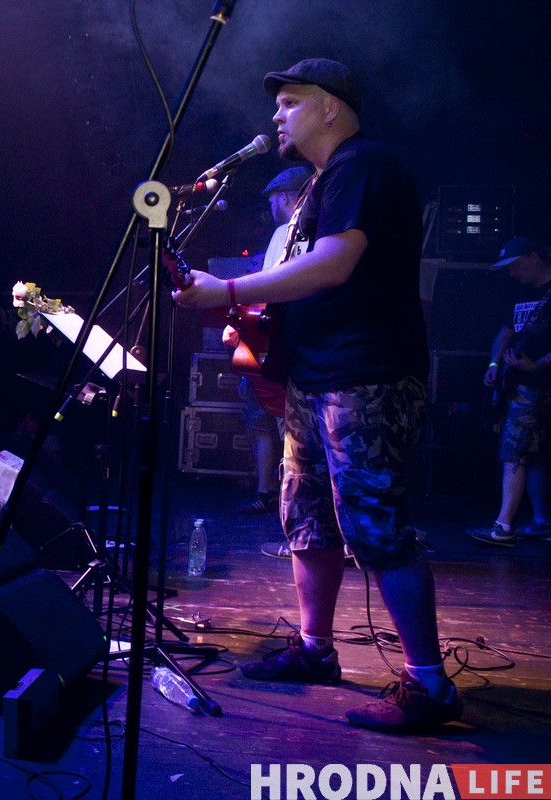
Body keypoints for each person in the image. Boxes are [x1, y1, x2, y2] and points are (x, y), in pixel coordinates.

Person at [172, 58, 460, 732]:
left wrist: (229, 291)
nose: (276, 115)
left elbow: (334, 265)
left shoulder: (363, 166)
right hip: (316, 375)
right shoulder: (321, 185)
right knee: (308, 515)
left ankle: (429, 683)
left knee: (376, 522)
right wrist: (248, 317)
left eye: (291, 102)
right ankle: (315, 648)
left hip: (365, 375)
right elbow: (304, 284)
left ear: (331, 107)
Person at [230, 166, 311, 517]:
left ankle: (278, 501)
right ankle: (286, 503)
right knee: (286, 429)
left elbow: (268, 289)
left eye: (274, 200)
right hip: (295, 346)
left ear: (286, 197)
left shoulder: (285, 232)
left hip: (276, 347)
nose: (272, 208)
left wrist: (240, 323)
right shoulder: (318, 231)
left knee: (279, 426)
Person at [468, 236, 551, 546]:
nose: (512, 273)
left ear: (534, 257)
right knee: (532, 455)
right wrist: (494, 364)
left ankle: (503, 526)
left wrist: (537, 365)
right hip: (521, 385)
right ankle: (541, 521)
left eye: (515, 266)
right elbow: (505, 333)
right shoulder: (519, 293)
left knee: (514, 452)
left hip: (539, 385)